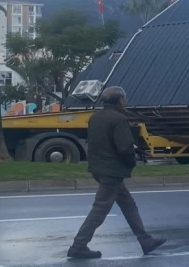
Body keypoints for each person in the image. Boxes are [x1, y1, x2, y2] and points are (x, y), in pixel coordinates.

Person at [67, 86, 166, 259]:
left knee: (128, 205)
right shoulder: (119, 119)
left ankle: (145, 240)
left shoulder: (95, 117)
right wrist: (132, 162)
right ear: (120, 100)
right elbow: (124, 147)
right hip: (112, 170)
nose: (125, 102)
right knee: (100, 209)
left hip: (99, 167)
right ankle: (79, 245)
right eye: (124, 99)